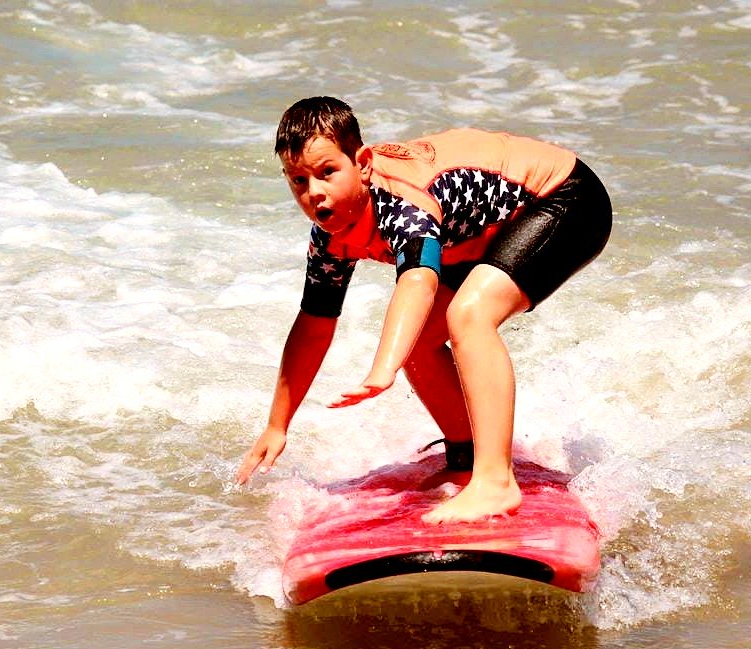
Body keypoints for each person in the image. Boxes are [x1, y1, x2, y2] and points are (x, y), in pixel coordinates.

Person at [237, 96, 611, 523]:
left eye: (327, 173)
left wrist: (383, 368)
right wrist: (277, 424)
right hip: (482, 228)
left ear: (362, 162)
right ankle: (468, 457)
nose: (314, 193)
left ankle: (495, 482)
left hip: (565, 200)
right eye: (298, 181)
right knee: (422, 341)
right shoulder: (331, 235)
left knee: (469, 315)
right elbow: (315, 321)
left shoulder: (402, 204)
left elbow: (418, 280)